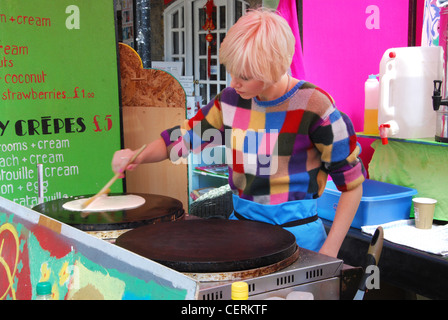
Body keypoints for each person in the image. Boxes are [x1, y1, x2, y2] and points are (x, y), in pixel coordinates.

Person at [112, 8, 365, 258]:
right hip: (241, 235)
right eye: (231, 70)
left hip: (300, 243)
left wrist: (329, 252)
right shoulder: (230, 102)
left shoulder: (316, 107)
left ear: (274, 69)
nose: (233, 82)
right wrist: (137, 155)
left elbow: (352, 185)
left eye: (244, 76)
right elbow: (182, 140)